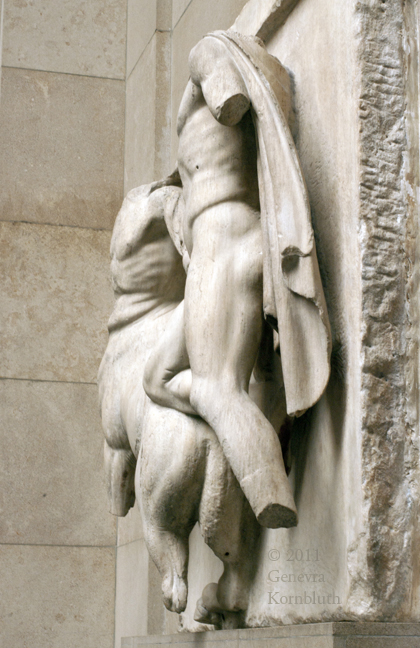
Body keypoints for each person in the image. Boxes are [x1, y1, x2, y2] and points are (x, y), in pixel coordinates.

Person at [143, 31, 331, 529]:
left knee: (217, 388)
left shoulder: (206, 50)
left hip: (223, 241)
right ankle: (254, 431)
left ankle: (268, 491)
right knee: (156, 377)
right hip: (224, 247)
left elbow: (229, 97)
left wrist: (215, 75)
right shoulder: (239, 89)